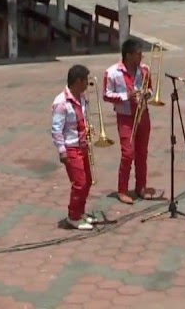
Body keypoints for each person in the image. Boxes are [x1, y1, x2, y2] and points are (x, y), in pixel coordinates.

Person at [103, 39, 156, 205]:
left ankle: (141, 187)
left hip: (143, 113)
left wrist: (147, 94)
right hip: (125, 116)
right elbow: (106, 95)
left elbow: (150, 89)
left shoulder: (144, 70)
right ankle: (122, 189)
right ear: (128, 55)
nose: (141, 57)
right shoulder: (112, 72)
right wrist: (126, 96)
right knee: (128, 154)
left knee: (142, 153)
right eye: (138, 54)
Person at [51, 64, 95, 230]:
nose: (87, 84)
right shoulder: (61, 103)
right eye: (85, 81)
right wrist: (62, 152)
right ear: (78, 81)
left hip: (83, 146)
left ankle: (80, 211)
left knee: (87, 181)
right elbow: (56, 130)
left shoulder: (82, 98)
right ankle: (73, 216)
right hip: (71, 148)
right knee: (79, 183)